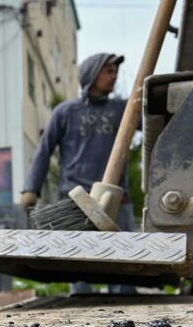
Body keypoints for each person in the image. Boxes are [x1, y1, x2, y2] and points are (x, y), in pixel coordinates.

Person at [20, 52, 136, 295]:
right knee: (77, 256)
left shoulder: (123, 110)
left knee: (123, 257)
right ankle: (81, 297)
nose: (114, 76)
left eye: (115, 71)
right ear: (92, 74)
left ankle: (124, 298)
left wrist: (147, 100)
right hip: (76, 198)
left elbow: (153, 119)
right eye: (108, 71)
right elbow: (44, 149)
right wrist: (31, 187)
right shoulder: (66, 112)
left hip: (116, 196)